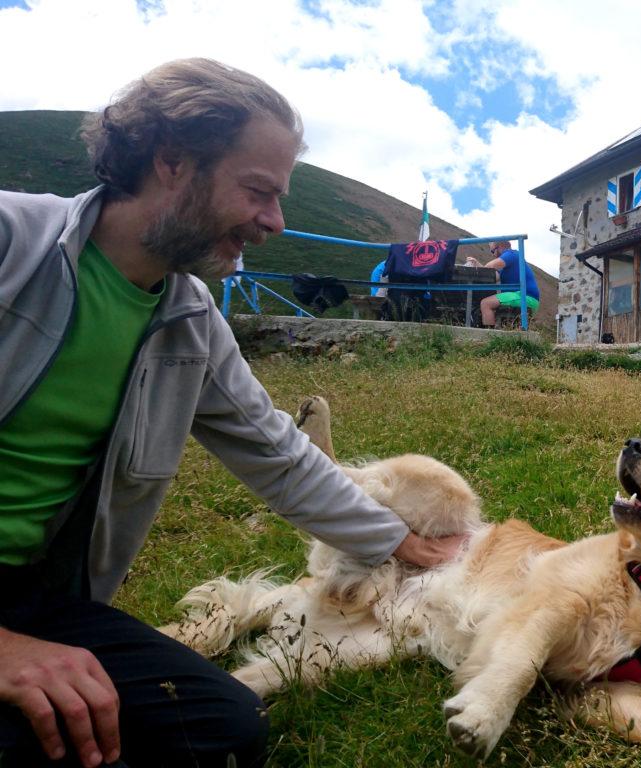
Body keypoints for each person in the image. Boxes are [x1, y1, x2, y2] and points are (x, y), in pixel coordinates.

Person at [0, 58, 463, 768]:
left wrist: (409, 545)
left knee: (224, 726)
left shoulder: (191, 319)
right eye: (259, 191)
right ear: (173, 163)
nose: (275, 222)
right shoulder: (10, 243)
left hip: (34, 597)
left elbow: (279, 453)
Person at [464, 241, 540, 327]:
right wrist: (477, 264)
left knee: (486, 303)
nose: (493, 255)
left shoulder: (511, 254)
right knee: (488, 303)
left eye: (493, 251)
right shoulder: (506, 267)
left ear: (499, 247)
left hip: (524, 297)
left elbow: (489, 266)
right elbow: (492, 277)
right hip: (524, 297)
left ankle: (488, 335)